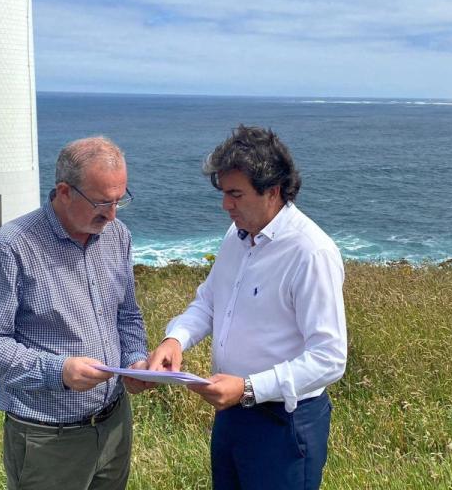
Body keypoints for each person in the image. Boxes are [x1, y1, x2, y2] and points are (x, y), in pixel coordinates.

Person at [148, 125, 347, 490]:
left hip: (283, 423)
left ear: (272, 191)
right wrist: (175, 339)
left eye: (235, 194)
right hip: (231, 413)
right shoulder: (237, 236)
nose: (226, 205)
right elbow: (209, 300)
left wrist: (249, 388)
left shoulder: (311, 252)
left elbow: (330, 357)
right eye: (224, 194)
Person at [0, 136, 150, 490]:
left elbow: (126, 315)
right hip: (48, 438)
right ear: (64, 191)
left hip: (114, 422)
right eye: (101, 202)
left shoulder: (117, 235)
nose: (111, 215)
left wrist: (136, 360)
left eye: (119, 201)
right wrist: (59, 371)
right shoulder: (12, 247)